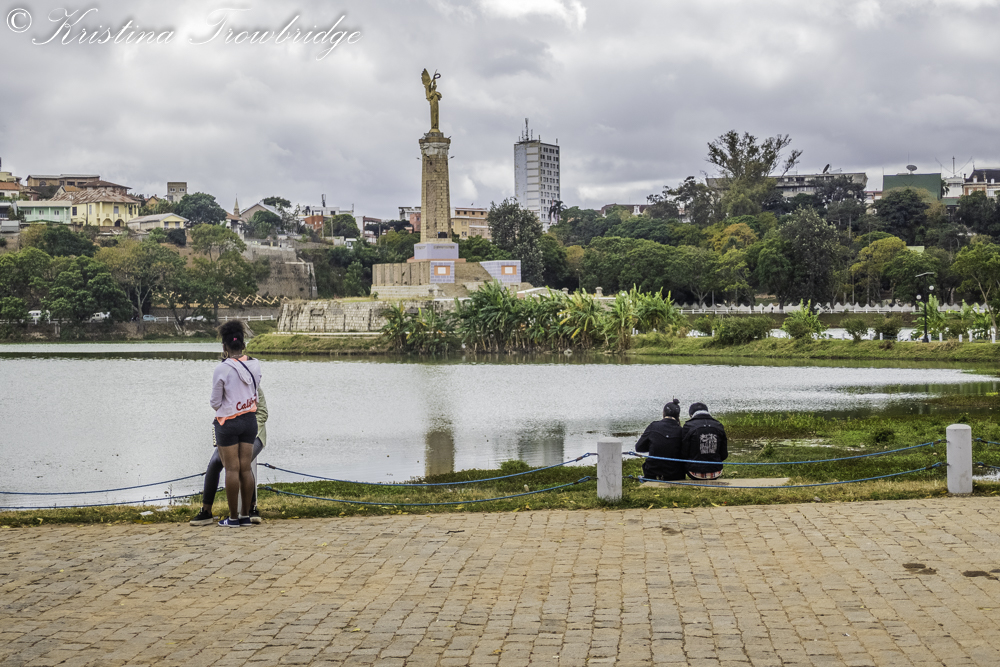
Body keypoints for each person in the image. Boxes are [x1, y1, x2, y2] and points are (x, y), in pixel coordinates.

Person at [190, 385, 268, 526]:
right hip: (231, 436)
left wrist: (248, 432)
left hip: (254, 435)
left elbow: (262, 413)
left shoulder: (254, 386)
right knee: (215, 462)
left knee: (243, 462)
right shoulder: (225, 386)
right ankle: (206, 511)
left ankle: (251, 509)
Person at [209, 320, 262, 527]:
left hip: (229, 422)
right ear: (243, 344)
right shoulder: (255, 364)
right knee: (245, 469)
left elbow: (215, 403)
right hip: (249, 420)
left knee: (231, 469)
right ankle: (245, 516)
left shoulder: (221, 369)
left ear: (224, 346)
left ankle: (232, 518)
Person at [634, 399, 685, 481]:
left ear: (664, 413)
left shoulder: (653, 426)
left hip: (652, 472)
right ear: (678, 415)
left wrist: (653, 446)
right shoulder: (681, 430)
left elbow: (639, 447)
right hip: (675, 474)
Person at [681, 402, 728, 480]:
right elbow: (724, 455)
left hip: (694, 472)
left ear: (691, 414)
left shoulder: (688, 426)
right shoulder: (719, 425)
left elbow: (683, 454)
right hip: (716, 471)